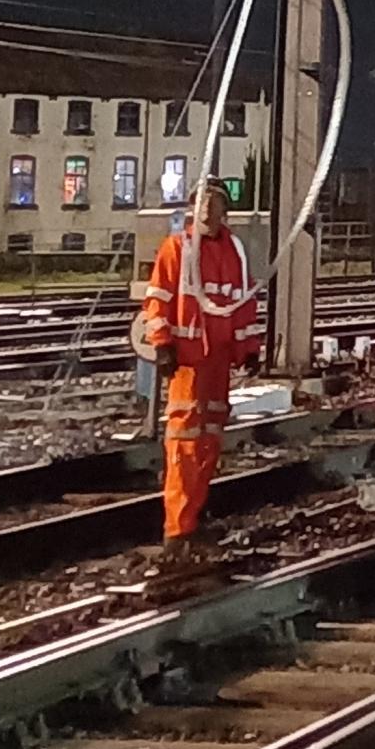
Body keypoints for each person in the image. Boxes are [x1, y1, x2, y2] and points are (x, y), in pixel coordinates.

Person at [140, 179, 261, 557]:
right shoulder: (177, 249)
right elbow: (158, 299)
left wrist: (248, 347)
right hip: (189, 364)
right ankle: (177, 530)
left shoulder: (234, 253)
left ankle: (193, 519)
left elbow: (242, 304)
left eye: (215, 202)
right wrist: (162, 346)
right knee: (184, 446)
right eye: (202, 201)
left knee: (209, 441)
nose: (208, 209)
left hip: (218, 363)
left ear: (225, 210)